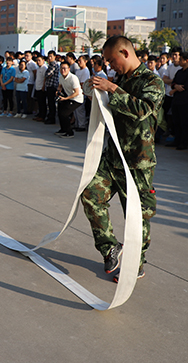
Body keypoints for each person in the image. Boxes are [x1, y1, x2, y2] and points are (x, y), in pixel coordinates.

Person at [80, 36, 165, 282]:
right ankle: (110, 248)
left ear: (125, 53)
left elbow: (143, 110)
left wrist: (113, 89)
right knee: (90, 195)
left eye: (111, 59)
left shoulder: (152, 81)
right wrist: (93, 91)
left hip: (138, 163)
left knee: (137, 216)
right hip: (112, 158)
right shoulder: (121, 79)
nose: (109, 64)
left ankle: (135, 265)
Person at [168, 50, 188, 150]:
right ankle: (177, 140)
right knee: (176, 121)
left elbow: (187, 86)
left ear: (186, 60)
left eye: (181, 59)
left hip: (185, 100)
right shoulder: (179, 72)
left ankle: (183, 142)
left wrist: (175, 89)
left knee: (184, 122)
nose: (179, 61)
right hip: (176, 100)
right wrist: (175, 86)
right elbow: (173, 82)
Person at [55, 61, 83, 138]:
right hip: (68, 97)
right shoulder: (61, 77)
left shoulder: (73, 78)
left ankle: (69, 133)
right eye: (61, 68)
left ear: (69, 69)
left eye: (64, 68)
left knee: (65, 113)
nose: (63, 70)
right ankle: (63, 130)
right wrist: (58, 91)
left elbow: (77, 92)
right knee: (60, 111)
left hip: (77, 99)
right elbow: (60, 86)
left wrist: (65, 98)